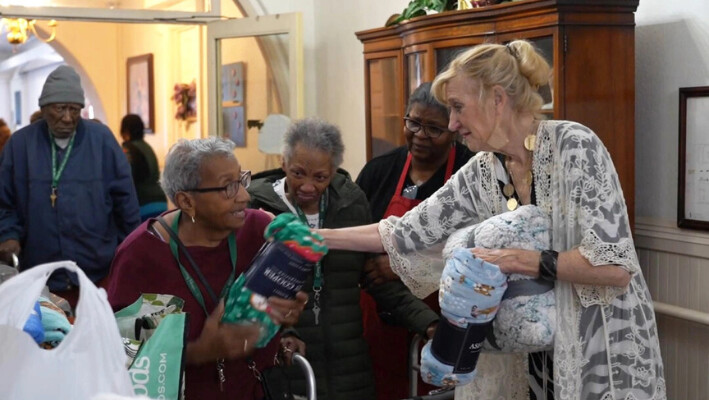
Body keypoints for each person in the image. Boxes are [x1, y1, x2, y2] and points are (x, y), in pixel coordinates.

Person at [317, 40, 665, 400]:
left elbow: (612, 267)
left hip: (593, 350)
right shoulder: (483, 169)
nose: (452, 123)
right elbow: (404, 232)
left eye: (457, 107)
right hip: (523, 363)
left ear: (497, 99)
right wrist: (318, 237)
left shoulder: (573, 146)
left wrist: (518, 261)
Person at [247, 117, 438, 400]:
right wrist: (284, 332)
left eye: (320, 177)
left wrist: (428, 323)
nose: (308, 186)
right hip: (287, 367)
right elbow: (248, 292)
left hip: (351, 371)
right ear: (284, 162)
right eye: (298, 173)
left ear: (334, 170)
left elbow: (376, 278)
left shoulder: (351, 202)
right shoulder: (257, 210)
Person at [106, 137, 308, 400]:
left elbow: (278, 303)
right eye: (228, 187)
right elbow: (121, 356)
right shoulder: (141, 256)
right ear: (187, 202)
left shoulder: (259, 230)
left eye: (242, 180)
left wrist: (287, 316)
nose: (245, 196)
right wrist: (201, 350)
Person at [355, 81, 473, 399]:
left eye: (434, 128)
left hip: (442, 320)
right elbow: (355, 241)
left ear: (455, 130)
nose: (420, 135)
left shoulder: (469, 174)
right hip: (379, 318)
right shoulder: (379, 171)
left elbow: (475, 253)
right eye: (414, 122)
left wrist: (403, 265)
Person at [0, 65, 140, 308]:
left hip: (96, 269)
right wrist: (9, 234)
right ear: (44, 109)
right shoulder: (20, 146)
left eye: (74, 109)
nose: (67, 117)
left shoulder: (101, 140)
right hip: (39, 272)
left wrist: (130, 249)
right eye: (60, 108)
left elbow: (125, 201)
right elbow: (4, 202)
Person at [119, 114, 167, 220]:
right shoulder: (148, 148)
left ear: (125, 131)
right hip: (161, 203)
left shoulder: (127, 149)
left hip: (142, 205)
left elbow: (125, 181)